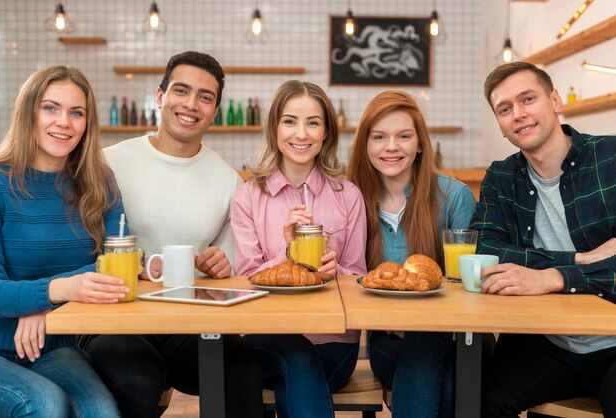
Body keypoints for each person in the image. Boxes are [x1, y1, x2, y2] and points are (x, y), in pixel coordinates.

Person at [77, 51, 264, 418]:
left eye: (205, 97)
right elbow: (81, 244)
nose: (191, 104)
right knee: (140, 375)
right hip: (113, 320)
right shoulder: (107, 163)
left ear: (215, 110)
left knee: (242, 367)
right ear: (160, 96)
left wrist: (221, 264)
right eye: (181, 91)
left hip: (186, 322)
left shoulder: (227, 180)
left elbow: (230, 269)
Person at [473, 61, 616, 416]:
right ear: (500, 125)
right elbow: (486, 251)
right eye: (505, 109)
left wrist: (551, 277)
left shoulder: (610, 158)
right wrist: (578, 261)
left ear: (555, 101)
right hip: (543, 340)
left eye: (527, 99)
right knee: (477, 401)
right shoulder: (501, 177)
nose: (518, 114)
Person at [0, 65, 125, 417]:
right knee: (44, 403)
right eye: (50, 108)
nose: (63, 122)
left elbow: (124, 260)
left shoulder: (98, 181)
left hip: (53, 346)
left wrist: (42, 305)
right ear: (28, 112)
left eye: (76, 112)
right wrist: (60, 290)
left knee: (102, 413)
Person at [231, 80, 367, 418]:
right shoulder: (248, 197)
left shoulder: (347, 195)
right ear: (274, 128)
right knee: (295, 356)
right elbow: (246, 281)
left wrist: (339, 274)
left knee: (300, 363)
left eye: (313, 123)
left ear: (326, 133)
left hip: (333, 344)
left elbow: (359, 276)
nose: (301, 134)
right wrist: (286, 257)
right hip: (265, 339)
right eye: (290, 121)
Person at [348, 90, 477, 418]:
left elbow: (471, 287)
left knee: (435, 348)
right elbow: (346, 284)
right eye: (379, 137)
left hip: (458, 339)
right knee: (448, 379)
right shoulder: (351, 201)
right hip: (390, 343)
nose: (391, 146)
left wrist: (424, 321)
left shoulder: (454, 196)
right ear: (365, 144)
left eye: (403, 136)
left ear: (420, 143)